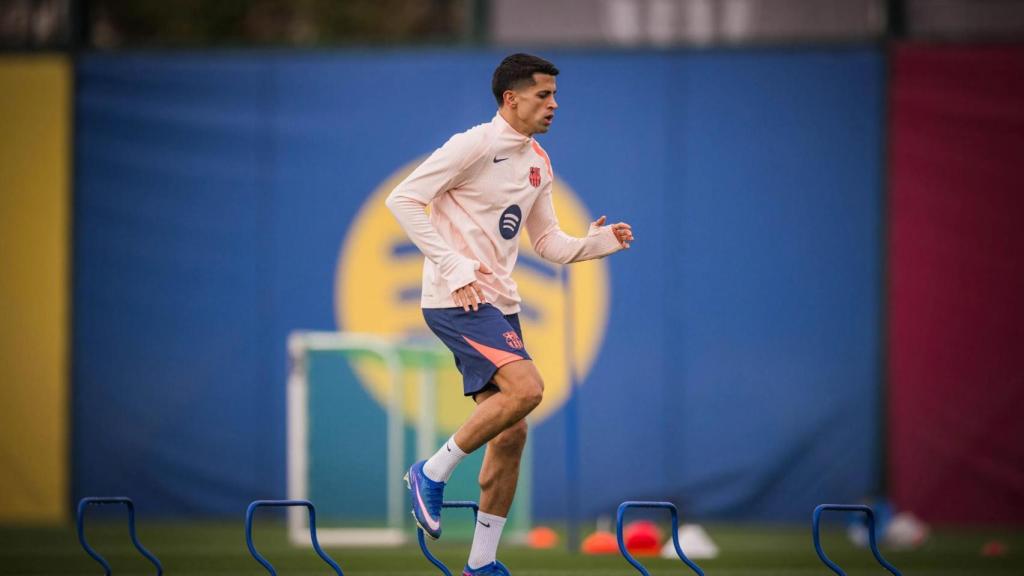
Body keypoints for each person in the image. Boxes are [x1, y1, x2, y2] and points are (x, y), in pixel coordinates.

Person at [385, 53, 634, 576]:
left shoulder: (538, 161)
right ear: (511, 99)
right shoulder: (473, 144)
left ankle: (481, 564)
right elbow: (403, 199)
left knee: (512, 431)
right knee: (527, 390)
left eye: (555, 95)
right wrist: (452, 265)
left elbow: (547, 242)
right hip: (458, 300)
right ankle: (429, 472)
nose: (554, 104)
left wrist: (597, 243)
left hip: (499, 303)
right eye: (543, 95)